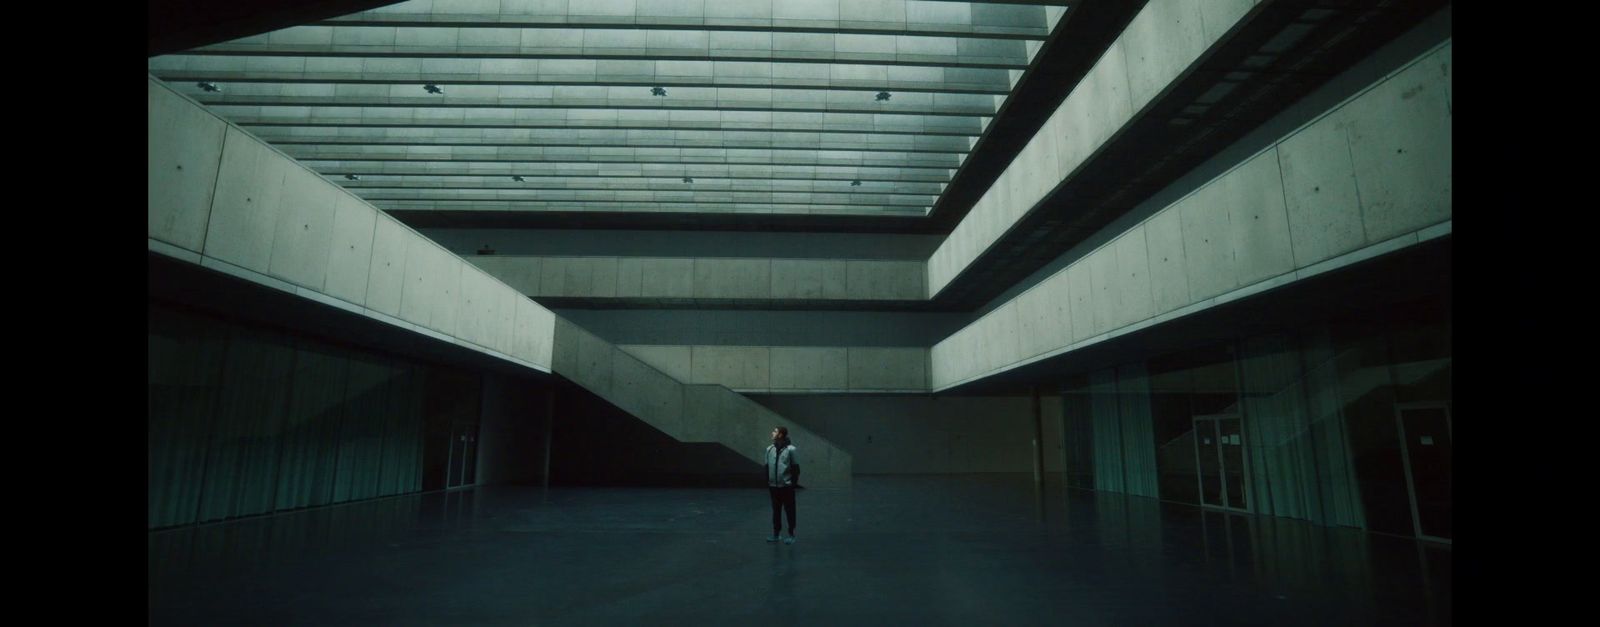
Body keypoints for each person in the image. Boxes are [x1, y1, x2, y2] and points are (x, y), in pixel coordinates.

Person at [764, 426, 800, 545]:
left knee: (790, 511)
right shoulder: (769, 449)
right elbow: (767, 467)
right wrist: (768, 482)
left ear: (780, 434)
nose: (772, 433)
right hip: (773, 486)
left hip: (786, 486)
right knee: (776, 511)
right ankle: (776, 534)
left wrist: (792, 485)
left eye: (774, 431)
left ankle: (791, 534)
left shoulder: (791, 449)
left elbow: (795, 469)